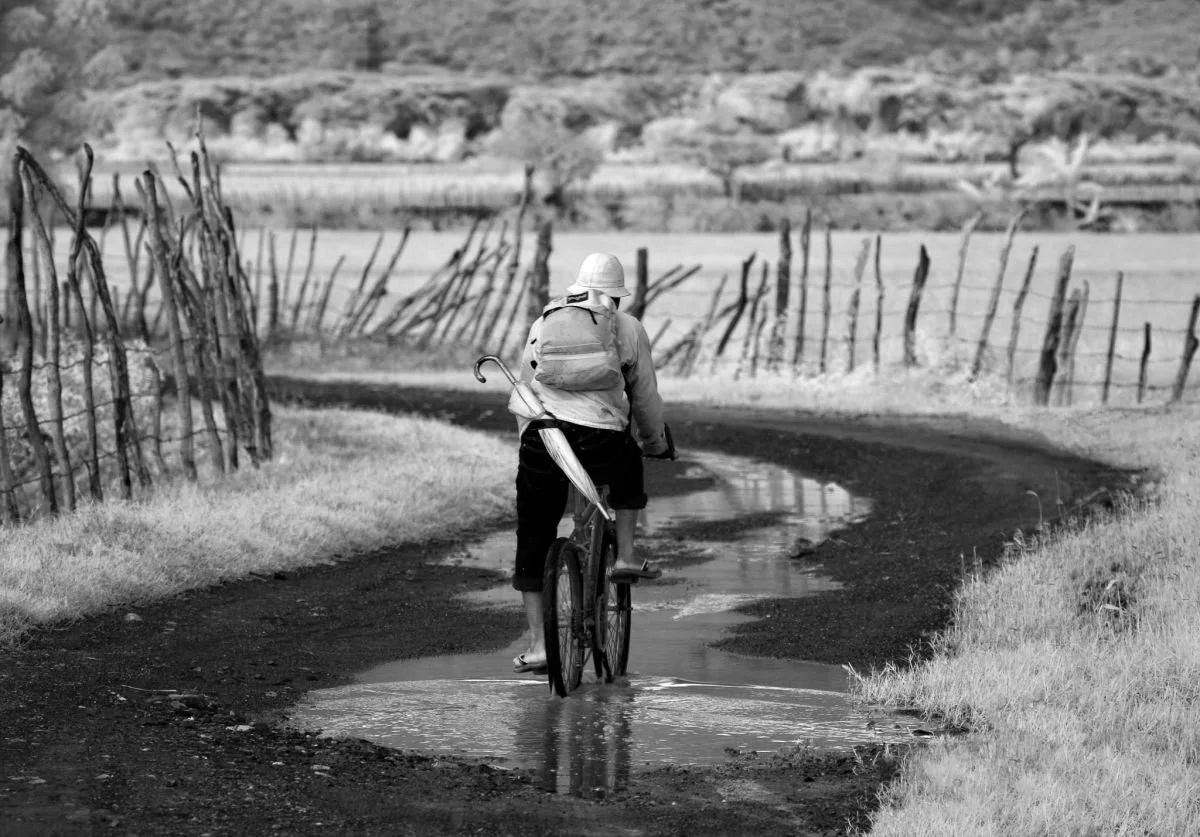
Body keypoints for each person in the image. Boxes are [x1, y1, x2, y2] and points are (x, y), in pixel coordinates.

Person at [510, 252, 674, 673]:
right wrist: (655, 442)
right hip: (601, 438)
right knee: (629, 470)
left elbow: (526, 385)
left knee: (534, 534)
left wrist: (530, 440)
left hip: (544, 436)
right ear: (616, 295)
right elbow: (645, 396)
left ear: (578, 288)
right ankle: (625, 557)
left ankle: (540, 645)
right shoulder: (628, 328)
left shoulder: (545, 321)